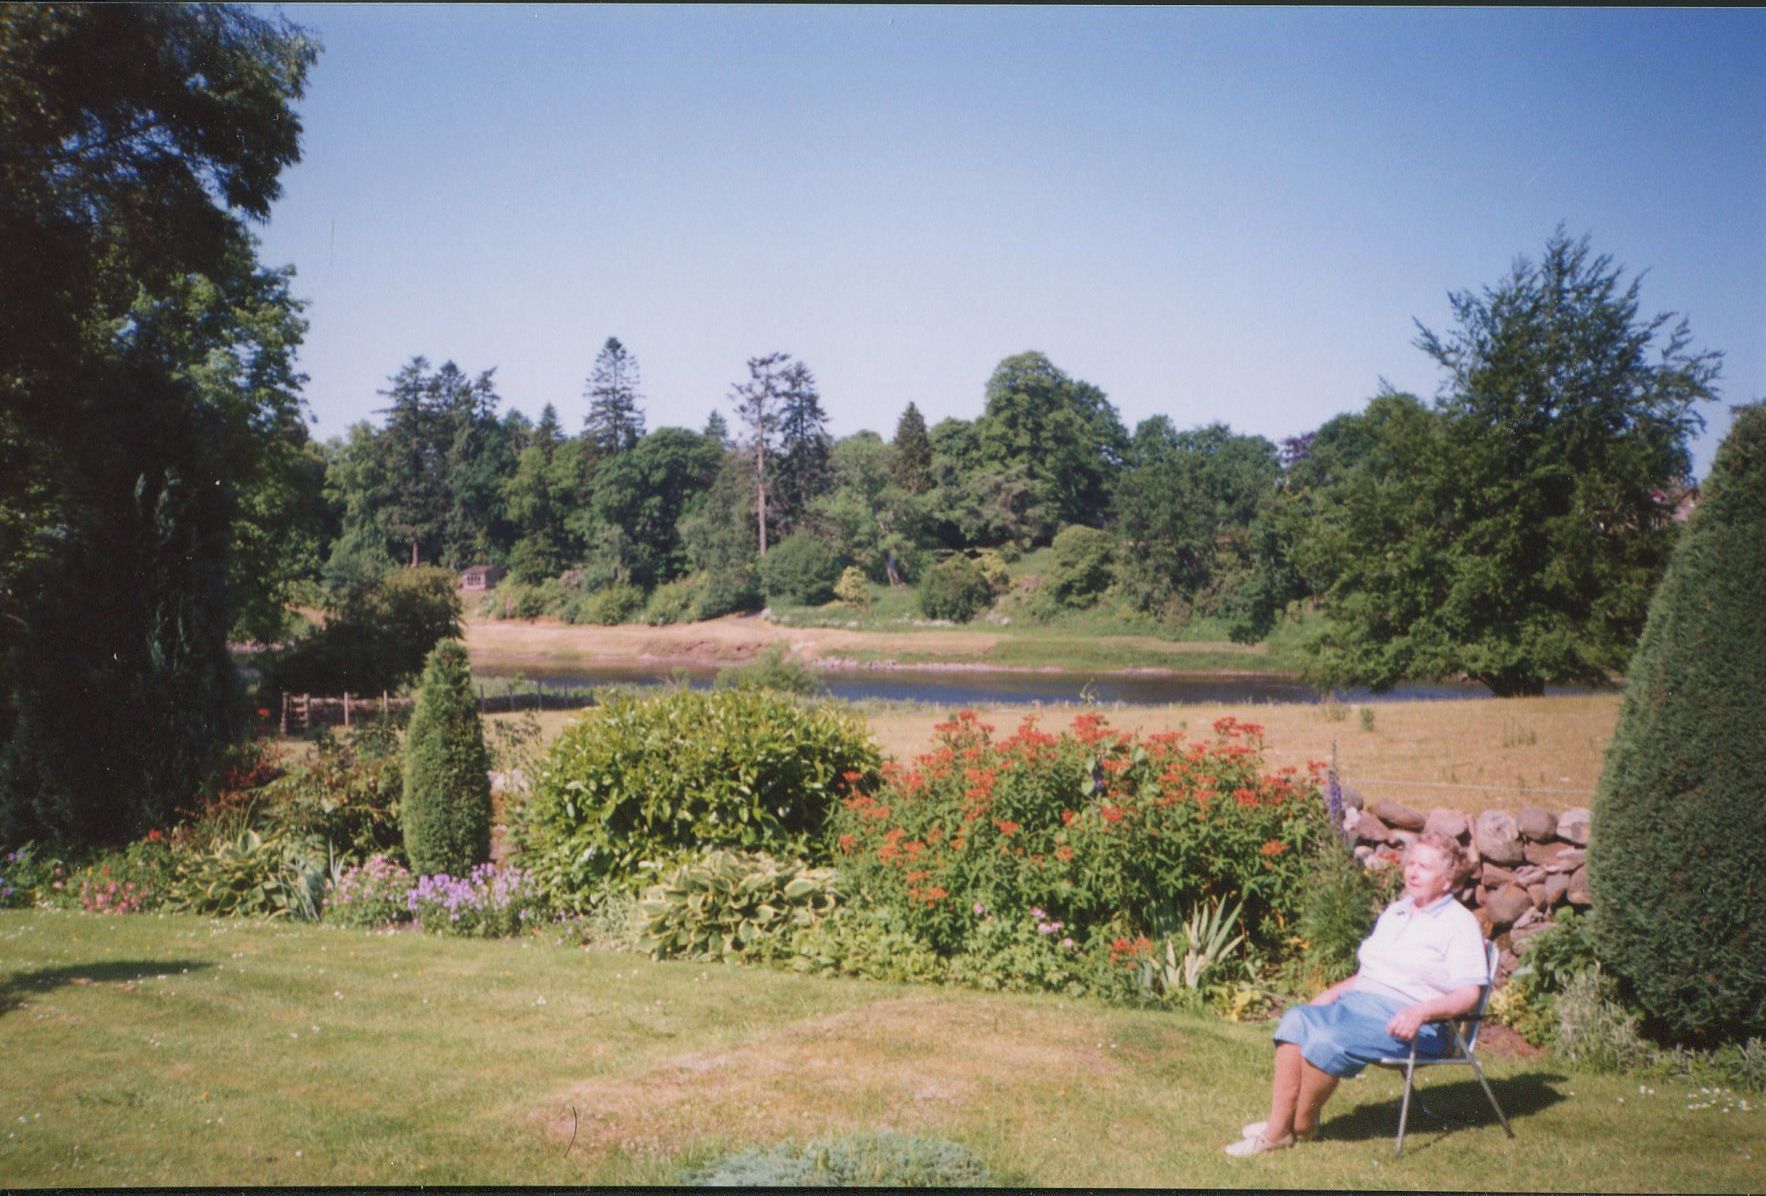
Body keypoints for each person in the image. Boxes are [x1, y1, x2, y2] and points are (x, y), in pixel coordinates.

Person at [1225, 830, 1489, 1156]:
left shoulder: (1458, 923)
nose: (1413, 872)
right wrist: (1330, 993)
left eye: (1425, 867)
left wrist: (1420, 1012)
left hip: (1414, 1023)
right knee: (1296, 1020)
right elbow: (1369, 974)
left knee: (1328, 1040)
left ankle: (1302, 1126)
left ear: (1448, 880)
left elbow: (1468, 995)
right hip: (1361, 1003)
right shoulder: (1398, 911)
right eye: (1411, 863)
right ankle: (1279, 1127)